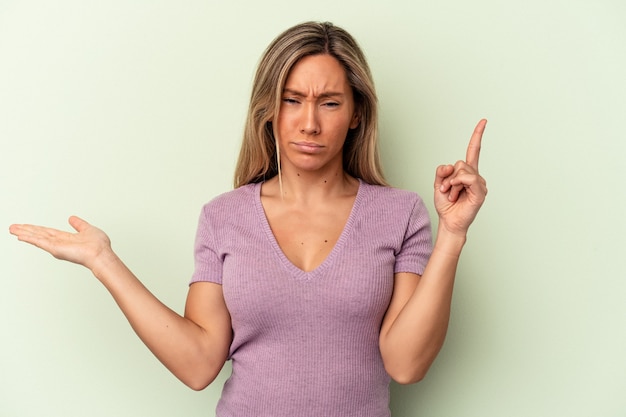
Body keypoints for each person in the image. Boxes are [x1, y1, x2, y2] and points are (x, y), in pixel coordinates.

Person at [9, 21, 487, 417]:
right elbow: (198, 364)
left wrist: (452, 234)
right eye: (292, 99)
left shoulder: (399, 214)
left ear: (357, 113)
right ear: (268, 110)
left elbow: (405, 365)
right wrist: (104, 262)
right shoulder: (224, 217)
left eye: (330, 102)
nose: (310, 123)